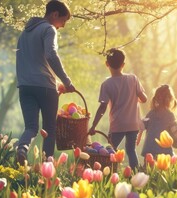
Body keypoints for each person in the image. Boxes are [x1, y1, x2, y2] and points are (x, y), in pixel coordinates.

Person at [16, 0, 76, 165]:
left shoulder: (24, 34)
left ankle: (22, 149)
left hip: (25, 86)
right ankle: (46, 168)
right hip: (45, 89)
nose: (62, 25)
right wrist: (66, 81)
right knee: (49, 130)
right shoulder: (49, 29)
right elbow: (50, 55)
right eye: (63, 20)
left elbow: (33, 62)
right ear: (55, 14)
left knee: (31, 128)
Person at [88, 48, 148, 170]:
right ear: (123, 65)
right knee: (131, 150)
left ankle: (109, 172)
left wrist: (94, 125)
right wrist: (136, 98)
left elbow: (102, 107)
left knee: (111, 150)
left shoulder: (106, 84)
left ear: (107, 64)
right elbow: (144, 99)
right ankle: (136, 174)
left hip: (117, 125)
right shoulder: (133, 79)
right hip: (133, 124)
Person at [139, 84, 177, 160]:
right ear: (169, 99)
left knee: (148, 170)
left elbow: (142, 125)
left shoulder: (151, 113)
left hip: (149, 151)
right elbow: (176, 132)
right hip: (164, 152)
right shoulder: (169, 115)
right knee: (164, 168)